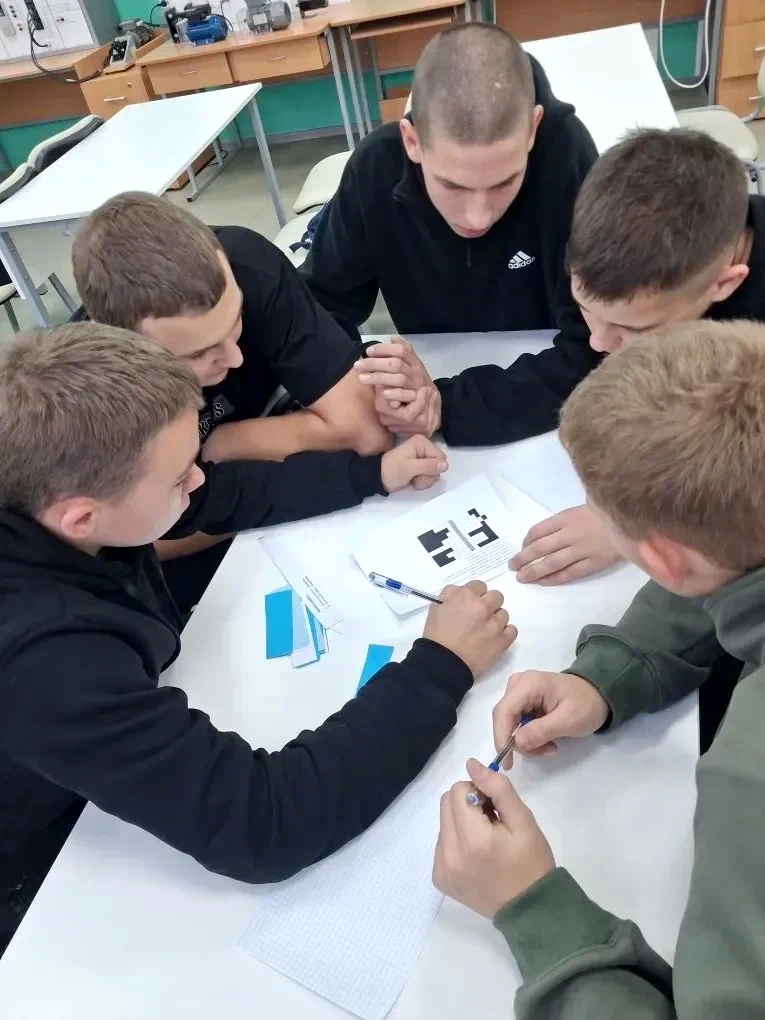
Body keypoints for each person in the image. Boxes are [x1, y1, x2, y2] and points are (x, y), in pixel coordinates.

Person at [0, 322, 517, 957]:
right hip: (41, 865)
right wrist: (441, 666)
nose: (199, 481)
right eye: (179, 478)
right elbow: (265, 824)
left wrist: (370, 474)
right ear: (81, 517)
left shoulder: (52, 487)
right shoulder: (48, 662)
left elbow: (227, 494)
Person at [434, 320, 765, 1016]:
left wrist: (533, 908)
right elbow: (732, 559)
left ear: (663, 560)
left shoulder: (748, 779)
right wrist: (608, 675)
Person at [71, 192, 391, 612]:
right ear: (126, 347)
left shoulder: (246, 265)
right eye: (198, 354)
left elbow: (364, 431)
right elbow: (144, 541)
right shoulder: (93, 395)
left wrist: (230, 445)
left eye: (237, 319)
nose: (235, 358)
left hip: (260, 501)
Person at [301, 22, 599, 444]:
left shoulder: (569, 158)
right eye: (452, 186)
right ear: (412, 141)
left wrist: (448, 404)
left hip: (542, 413)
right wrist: (373, 384)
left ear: (533, 129)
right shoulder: (375, 168)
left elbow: (599, 343)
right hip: (433, 399)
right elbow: (317, 310)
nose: (478, 217)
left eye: (504, 183)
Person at [508, 127, 765, 587]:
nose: (598, 343)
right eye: (587, 309)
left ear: (725, 284)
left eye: (635, 330)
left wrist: (631, 524)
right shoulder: (611, 258)